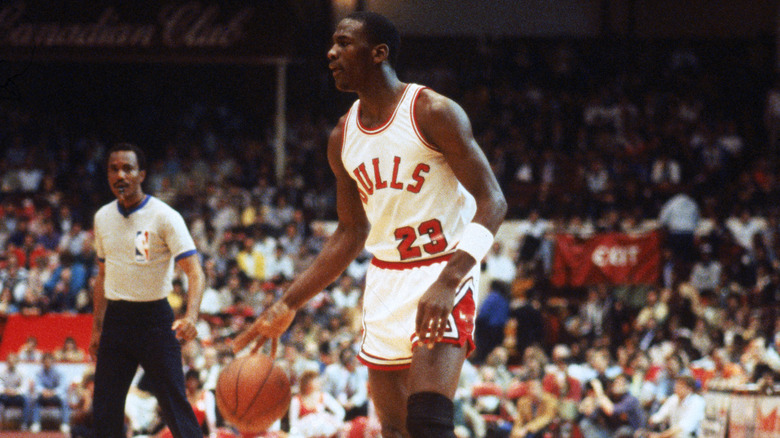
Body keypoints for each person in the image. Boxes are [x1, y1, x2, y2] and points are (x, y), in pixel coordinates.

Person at [233, 11, 507, 438]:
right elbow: (350, 232)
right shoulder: (343, 136)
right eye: (332, 44)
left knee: (428, 424)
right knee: (395, 431)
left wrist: (449, 279)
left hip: (443, 269)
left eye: (343, 43)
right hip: (384, 279)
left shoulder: (432, 111)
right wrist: (287, 303)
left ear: (379, 53)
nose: (331, 52)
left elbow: (493, 201)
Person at [90, 142, 205, 438]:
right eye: (114, 169)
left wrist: (191, 317)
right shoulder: (102, 217)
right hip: (116, 321)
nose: (121, 175)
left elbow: (195, 272)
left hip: (155, 320)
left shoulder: (164, 216)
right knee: (104, 410)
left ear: (141, 175)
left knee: (175, 407)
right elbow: (102, 275)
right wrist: (96, 328)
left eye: (128, 168)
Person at [289, 369, 346, 438]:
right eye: (314, 380)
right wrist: (307, 422)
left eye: (317, 380)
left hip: (323, 433)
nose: (318, 382)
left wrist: (331, 420)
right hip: (305, 433)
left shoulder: (323, 396)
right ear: (306, 383)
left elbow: (340, 412)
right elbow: (293, 424)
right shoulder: (296, 400)